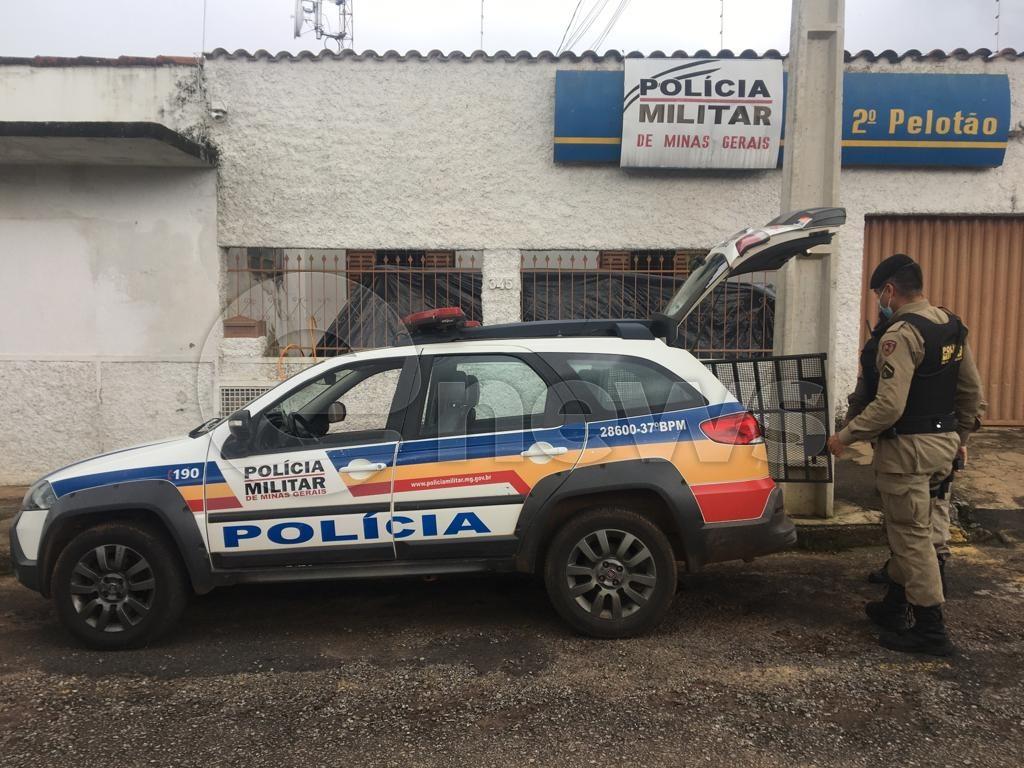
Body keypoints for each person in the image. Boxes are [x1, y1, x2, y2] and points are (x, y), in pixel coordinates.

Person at [827, 254, 984, 656]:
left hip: (908, 452)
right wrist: (960, 437)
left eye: (880, 294)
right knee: (917, 527)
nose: (880, 301)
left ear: (890, 291)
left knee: (913, 537)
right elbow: (972, 395)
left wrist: (846, 436)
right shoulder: (951, 325)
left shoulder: (900, 335)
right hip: (942, 446)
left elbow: (888, 406)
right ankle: (894, 607)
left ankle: (930, 630)